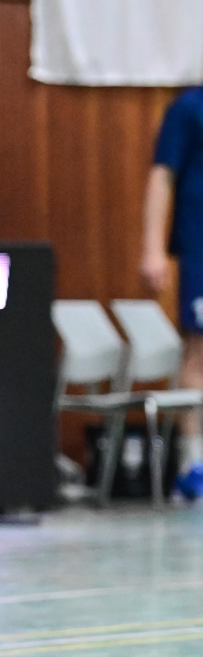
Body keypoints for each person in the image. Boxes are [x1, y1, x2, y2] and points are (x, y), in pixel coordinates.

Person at [140, 87, 203, 498]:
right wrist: (152, 247)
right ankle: (193, 463)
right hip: (200, 249)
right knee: (199, 353)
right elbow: (162, 175)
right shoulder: (189, 108)